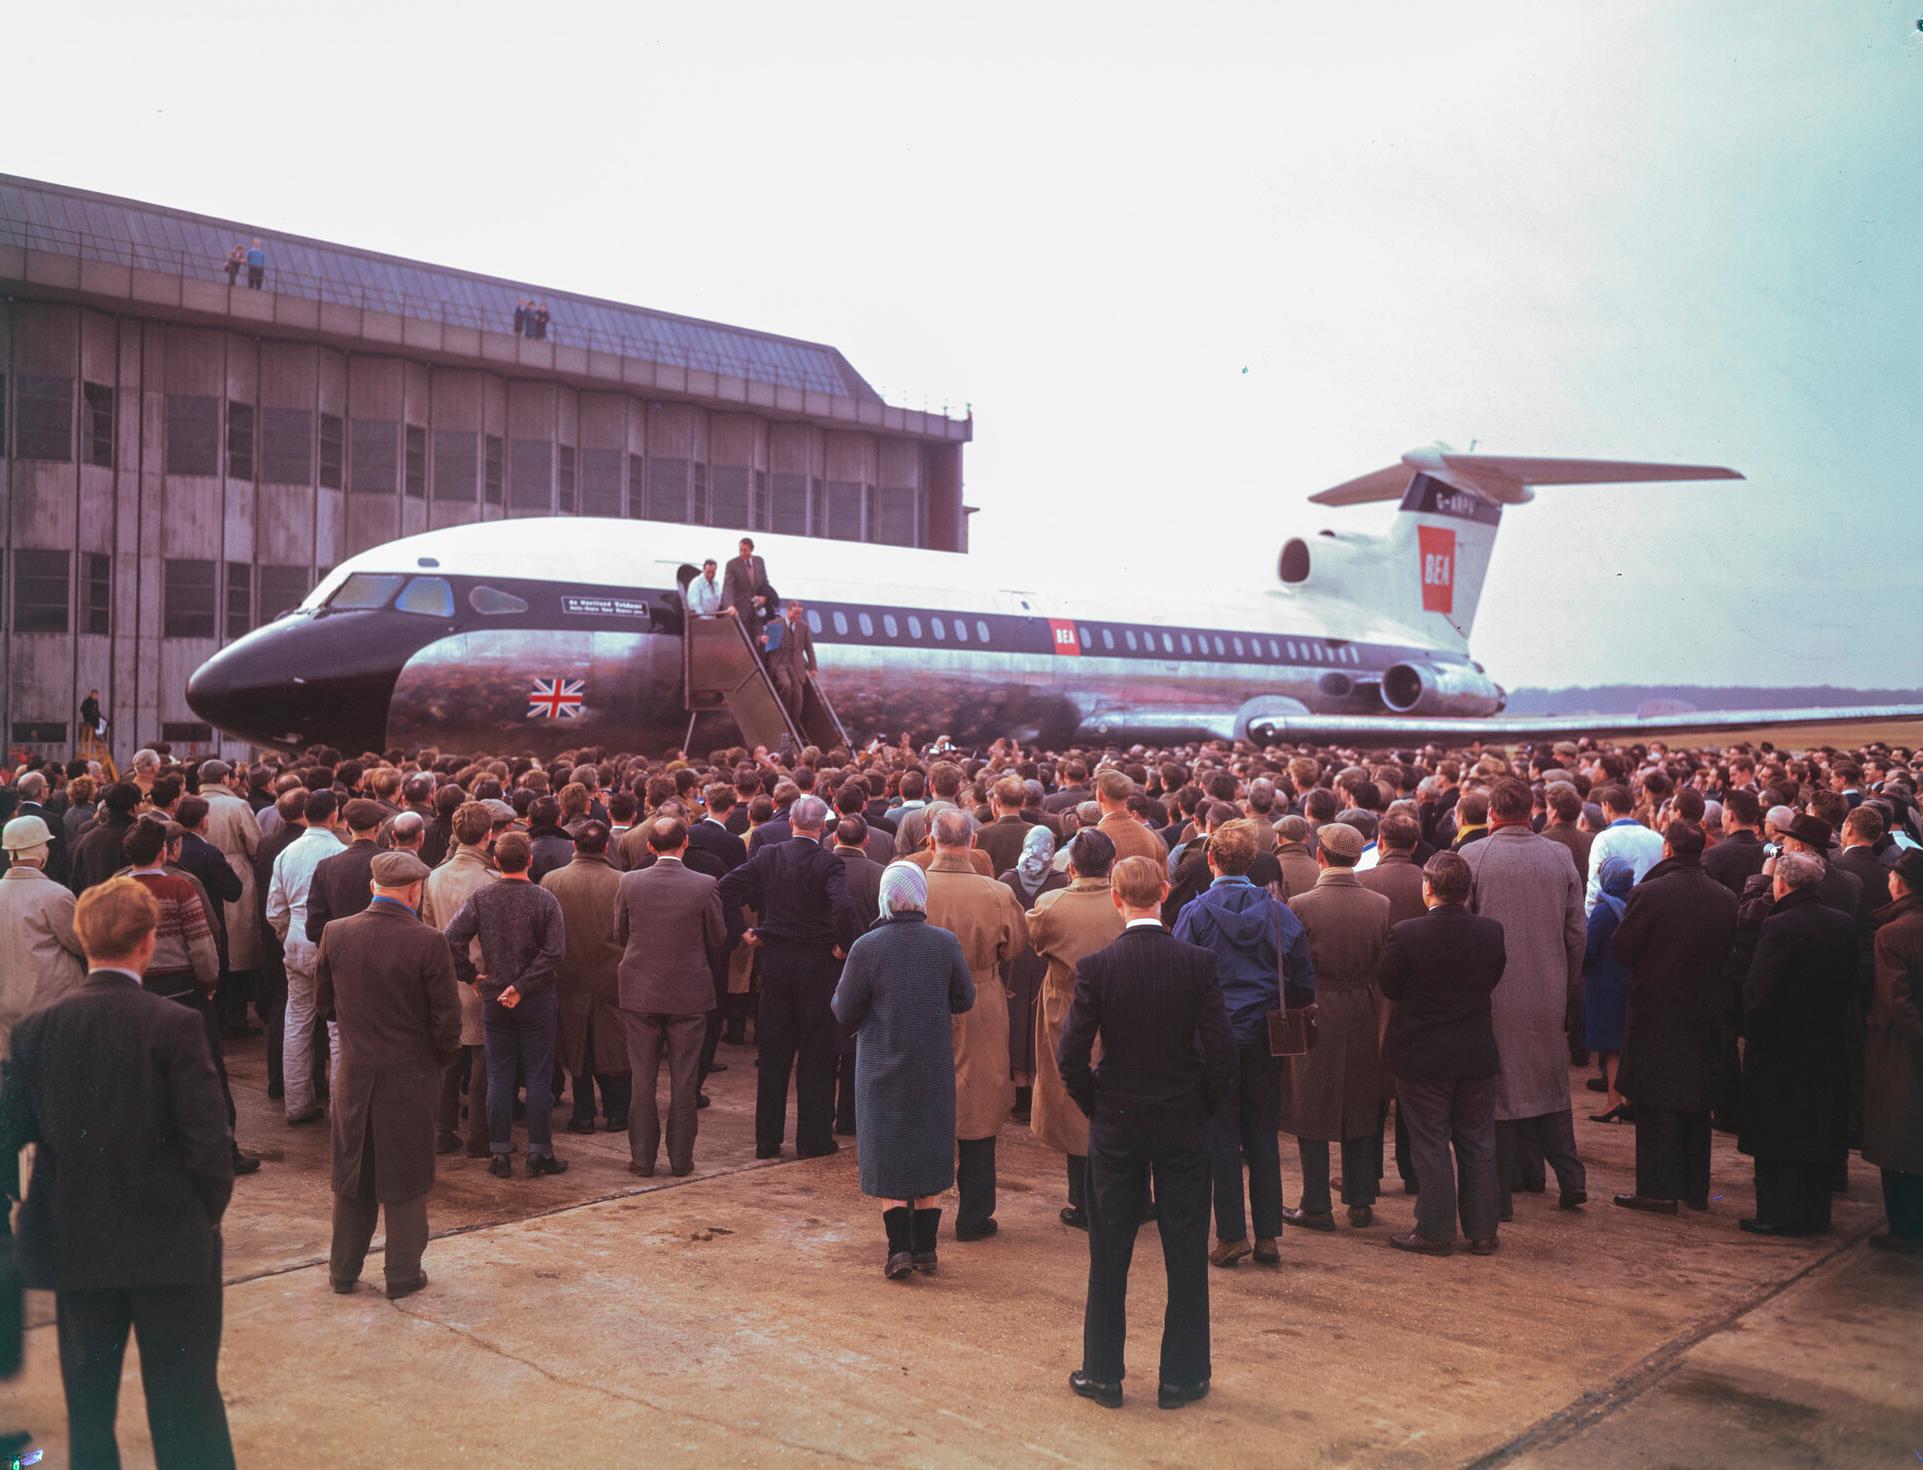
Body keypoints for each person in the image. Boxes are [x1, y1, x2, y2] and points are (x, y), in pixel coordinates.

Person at [0, 877, 237, 1469]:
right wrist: (205, 1216)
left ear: (82, 937)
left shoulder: (36, 1030)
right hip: (172, 1240)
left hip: (79, 1241)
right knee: (186, 1402)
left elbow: (11, 1134)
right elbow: (210, 1144)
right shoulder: (174, 1025)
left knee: (89, 1406)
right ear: (147, 943)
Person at [1058, 855, 1235, 1411]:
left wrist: (1098, 1104)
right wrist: (1201, 1103)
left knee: (1109, 1250)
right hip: (1181, 1119)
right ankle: (1182, 1378)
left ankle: (1104, 1374)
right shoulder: (1197, 963)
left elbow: (1069, 1056)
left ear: (1116, 897)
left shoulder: (1098, 967)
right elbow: (1223, 1054)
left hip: (1119, 1122)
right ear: (1163, 892)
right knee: (1185, 1250)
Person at [316, 851, 460, 1298]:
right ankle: (401, 1273)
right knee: (406, 1173)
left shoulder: (336, 933)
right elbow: (446, 1023)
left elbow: (323, 1004)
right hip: (411, 1073)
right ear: (415, 891)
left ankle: (343, 1270)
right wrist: (436, 1059)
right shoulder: (428, 941)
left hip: (355, 1071)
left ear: (373, 886)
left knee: (353, 1168)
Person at [1172, 819, 1313, 1266]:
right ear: (1252, 862)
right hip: (1266, 1035)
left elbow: (1180, 977)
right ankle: (1269, 1234)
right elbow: (1303, 981)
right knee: (1263, 1134)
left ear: (1210, 860)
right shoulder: (1279, 912)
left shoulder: (1194, 913)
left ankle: (1231, 1234)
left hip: (1214, 1037)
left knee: (1221, 1136)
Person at [831, 862, 977, 1277]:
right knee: (930, 1147)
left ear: (885, 897)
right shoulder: (945, 942)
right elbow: (964, 997)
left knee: (888, 1148)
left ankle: (899, 1249)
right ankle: (926, 1248)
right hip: (932, 1062)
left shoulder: (867, 946)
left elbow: (843, 1009)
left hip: (880, 1061)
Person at [1463, 778, 1589, 1218]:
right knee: (1550, 1087)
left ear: (1492, 814)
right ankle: (1571, 1178)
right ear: (1532, 809)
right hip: (1547, 988)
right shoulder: (1559, 856)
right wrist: (1568, 986)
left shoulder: (1474, 856)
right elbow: (1577, 932)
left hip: (1493, 994)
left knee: (1497, 1096)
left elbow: (1464, 930)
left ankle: (1501, 1197)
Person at [717, 795, 858, 1159]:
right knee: (816, 1053)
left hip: (776, 963)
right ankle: (812, 1139)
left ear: (793, 822)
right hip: (816, 964)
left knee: (775, 1053)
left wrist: (742, 933)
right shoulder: (828, 862)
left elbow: (725, 888)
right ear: (824, 827)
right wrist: (845, 944)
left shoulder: (769, 856)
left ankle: (767, 1139)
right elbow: (842, 906)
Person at [1381, 851, 1506, 1255]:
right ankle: (1483, 1230)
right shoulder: (1490, 931)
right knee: (1478, 1140)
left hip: (1424, 1053)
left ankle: (1435, 1229)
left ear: (1429, 888)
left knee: (1431, 1142)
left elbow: (1389, 985)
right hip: (1474, 1050)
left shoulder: (1407, 934)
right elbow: (1493, 977)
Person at [1609, 821, 1737, 1213]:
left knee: (1655, 1100)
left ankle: (1658, 1190)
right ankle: (1694, 1189)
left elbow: (1622, 950)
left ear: (1667, 849)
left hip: (1658, 1010)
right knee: (1696, 1101)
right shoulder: (1725, 897)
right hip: (1706, 1009)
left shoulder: (1650, 893)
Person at [920, 808, 1030, 1239]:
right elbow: (1016, 944)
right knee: (980, 1105)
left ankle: (922, 1210)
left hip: (923, 996)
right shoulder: (995, 891)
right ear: (973, 843)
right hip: (981, 998)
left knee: (926, 1099)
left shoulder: (914, 884)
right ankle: (974, 1214)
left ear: (931, 841)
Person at [1280, 821, 1391, 1229]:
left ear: (1320, 856)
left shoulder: (1301, 905)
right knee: (1361, 1100)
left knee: (1311, 1101)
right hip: (1363, 1006)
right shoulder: (1380, 904)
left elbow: (1289, 967)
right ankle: (1361, 1200)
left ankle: (1315, 1204)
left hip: (1315, 1008)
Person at [1740, 850, 1857, 1235]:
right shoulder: (1841, 923)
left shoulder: (1779, 926)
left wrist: (1751, 1030)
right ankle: (1814, 1213)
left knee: (1778, 1134)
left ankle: (1776, 1213)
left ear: (1780, 883)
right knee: (1815, 1131)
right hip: (1825, 1044)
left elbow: (1760, 990)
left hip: (1781, 1048)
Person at [444, 830, 569, 1179]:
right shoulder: (545, 900)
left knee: (499, 1076)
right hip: (536, 998)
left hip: (494, 996)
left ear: (496, 862)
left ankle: (499, 1153)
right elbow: (555, 952)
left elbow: (451, 937)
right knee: (538, 1076)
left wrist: (471, 975)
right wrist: (523, 986)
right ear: (530, 861)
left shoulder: (482, 897)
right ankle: (539, 1151)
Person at [614, 817, 726, 1177]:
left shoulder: (629, 881)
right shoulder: (704, 885)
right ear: (686, 843)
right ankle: (681, 1160)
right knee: (685, 1079)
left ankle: (643, 1159)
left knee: (642, 1078)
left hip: (641, 990)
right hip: (688, 993)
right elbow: (717, 937)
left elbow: (619, 933)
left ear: (649, 846)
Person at [1027, 829, 1125, 1228]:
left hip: (1067, 1007)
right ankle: (1125, 1193)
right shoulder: (1123, 904)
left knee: (1072, 1097)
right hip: (1121, 1008)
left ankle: (1083, 1200)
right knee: (1119, 1093)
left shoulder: (1051, 904)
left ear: (1071, 867)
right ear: (1111, 864)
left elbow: (1034, 943)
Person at [541, 821, 632, 1138]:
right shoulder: (623, 882)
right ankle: (618, 1112)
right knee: (615, 1048)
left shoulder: (552, 881)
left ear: (573, 846)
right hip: (613, 977)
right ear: (606, 846)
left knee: (577, 1048)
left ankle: (583, 1114)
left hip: (568, 976)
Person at [420, 800, 498, 1158]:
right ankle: (479, 1136)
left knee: (449, 1055)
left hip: (444, 978)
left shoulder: (434, 876)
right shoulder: (490, 881)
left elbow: (426, 927)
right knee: (483, 1057)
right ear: (488, 835)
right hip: (480, 977)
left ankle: (441, 1129)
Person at [267, 790, 345, 1124]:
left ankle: (297, 1104)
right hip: (333, 942)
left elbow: (274, 909)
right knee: (338, 1027)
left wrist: (289, 936)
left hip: (297, 941)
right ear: (334, 816)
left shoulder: (287, 853)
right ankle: (341, 1108)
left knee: (296, 1021)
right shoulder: (339, 852)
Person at [1865, 850, 1923, 1251]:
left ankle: (1904, 1229)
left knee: (1898, 1138)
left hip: (1901, 1051)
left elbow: (1895, 1000)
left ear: (1899, 883)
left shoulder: (1892, 933)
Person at [0, 815, 87, 1059]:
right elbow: (82, 944)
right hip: (52, 1003)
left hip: (6, 1007)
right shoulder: (56, 895)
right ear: (40, 850)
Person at [1582, 856, 1635, 1123]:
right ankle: (1627, 1099)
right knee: (1624, 1043)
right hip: (1628, 980)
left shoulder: (1603, 910)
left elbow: (1589, 946)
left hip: (1605, 982)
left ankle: (1613, 1101)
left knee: (1611, 1046)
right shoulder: (1635, 903)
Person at [1584, 785, 1662, 915]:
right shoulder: (1657, 838)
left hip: (1616, 918)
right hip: (1652, 916)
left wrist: (1591, 919)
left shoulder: (1603, 839)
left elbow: (1594, 889)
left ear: (1607, 806)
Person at [771, 600, 817, 717]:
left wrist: (813, 667)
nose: (796, 616)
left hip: (795, 665)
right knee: (786, 685)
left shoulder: (803, 627)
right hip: (779, 664)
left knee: (798, 698)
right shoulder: (775, 625)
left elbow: (809, 648)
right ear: (788, 610)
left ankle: (793, 725)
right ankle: (783, 717)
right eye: (795, 613)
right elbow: (767, 648)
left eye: (799, 614)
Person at [720, 537, 768, 622]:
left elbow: (765, 583)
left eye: (745, 550)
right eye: (740, 550)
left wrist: (764, 597)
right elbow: (728, 588)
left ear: (751, 550)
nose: (742, 553)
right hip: (740, 612)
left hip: (757, 612)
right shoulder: (732, 565)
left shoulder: (759, 561)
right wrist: (730, 605)